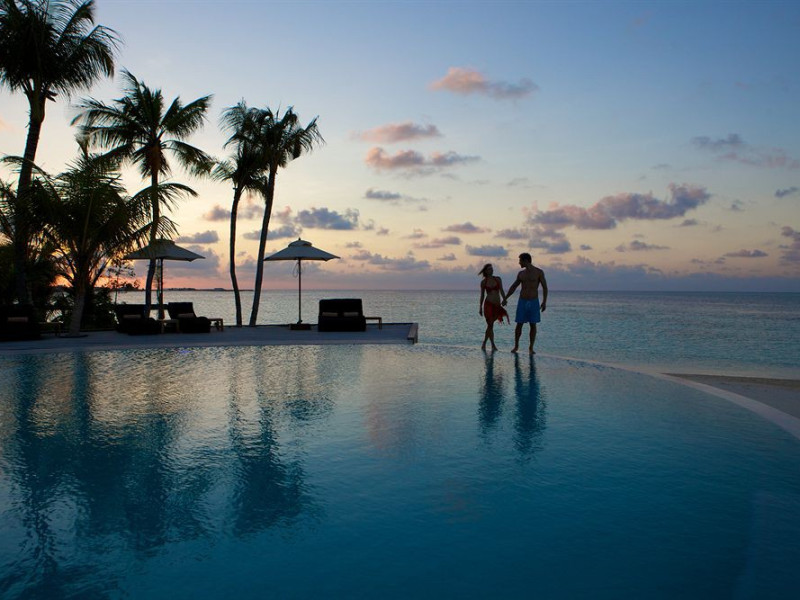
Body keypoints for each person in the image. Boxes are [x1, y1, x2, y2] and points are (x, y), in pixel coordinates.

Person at [503, 252, 548, 354]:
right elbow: (514, 286)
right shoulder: (521, 274)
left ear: (526, 260)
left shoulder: (539, 272)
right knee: (519, 324)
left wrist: (544, 302)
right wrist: (505, 298)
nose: (519, 263)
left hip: (533, 301)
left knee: (533, 324)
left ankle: (531, 348)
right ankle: (516, 346)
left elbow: (545, 287)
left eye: (520, 261)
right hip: (522, 301)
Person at [478, 263, 509, 351]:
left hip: (497, 305)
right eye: (489, 269)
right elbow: (482, 295)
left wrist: (504, 299)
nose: (491, 270)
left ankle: (484, 343)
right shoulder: (483, 282)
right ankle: (492, 345)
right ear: (486, 271)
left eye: (492, 269)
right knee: (490, 324)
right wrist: (480, 307)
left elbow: (501, 290)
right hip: (488, 305)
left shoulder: (498, 279)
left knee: (490, 326)